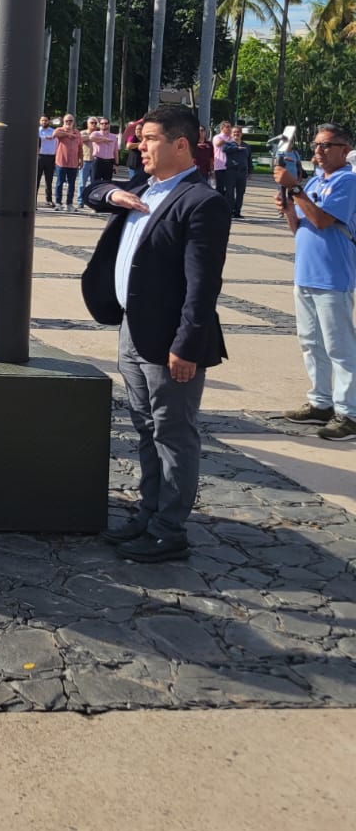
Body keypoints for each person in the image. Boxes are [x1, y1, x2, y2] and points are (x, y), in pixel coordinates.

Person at [81, 105, 231, 562]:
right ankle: (149, 512)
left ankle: (170, 530)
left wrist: (186, 345)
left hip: (170, 341)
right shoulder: (143, 188)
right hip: (132, 328)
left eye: (148, 139)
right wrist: (116, 195)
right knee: (145, 427)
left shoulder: (201, 201)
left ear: (180, 144)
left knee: (173, 433)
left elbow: (203, 284)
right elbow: (92, 191)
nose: (138, 146)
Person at [275, 123, 356, 442]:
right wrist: (289, 210)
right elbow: (302, 228)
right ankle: (321, 402)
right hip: (306, 272)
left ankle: (349, 413)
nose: (318, 151)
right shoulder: (316, 181)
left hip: (333, 275)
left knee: (339, 346)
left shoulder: (348, 181)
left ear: (345, 149)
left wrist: (295, 189)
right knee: (311, 342)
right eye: (316, 145)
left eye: (326, 145)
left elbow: (323, 220)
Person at [53, 113, 82, 212]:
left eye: (71, 121)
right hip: (61, 162)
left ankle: (69, 204)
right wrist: (68, 134)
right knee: (59, 183)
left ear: (73, 122)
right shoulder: (60, 130)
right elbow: (54, 134)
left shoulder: (77, 133)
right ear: (63, 121)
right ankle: (58, 203)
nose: (69, 122)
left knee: (72, 184)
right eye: (67, 121)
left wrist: (81, 159)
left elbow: (80, 148)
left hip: (73, 163)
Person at [225, 126, 253, 218]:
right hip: (231, 172)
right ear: (231, 134)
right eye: (234, 132)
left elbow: (249, 159)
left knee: (240, 193)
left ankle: (237, 211)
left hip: (242, 172)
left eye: (238, 132)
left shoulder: (247, 146)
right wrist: (237, 148)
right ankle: (230, 210)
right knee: (230, 192)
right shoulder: (228, 144)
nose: (236, 134)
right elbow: (225, 150)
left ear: (241, 134)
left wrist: (250, 172)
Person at [212, 120, 236, 206]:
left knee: (230, 188)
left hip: (230, 166)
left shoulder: (232, 138)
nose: (230, 129)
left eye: (230, 127)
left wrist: (230, 139)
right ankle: (218, 205)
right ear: (222, 128)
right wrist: (228, 140)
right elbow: (218, 143)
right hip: (220, 166)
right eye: (227, 127)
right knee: (220, 187)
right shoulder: (217, 137)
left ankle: (228, 206)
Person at [90, 118, 119, 187]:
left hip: (109, 162)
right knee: (95, 183)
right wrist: (103, 139)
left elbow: (116, 151)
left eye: (106, 123)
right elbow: (91, 138)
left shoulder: (113, 136)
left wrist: (116, 164)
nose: (104, 125)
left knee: (107, 183)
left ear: (109, 125)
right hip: (98, 161)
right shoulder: (96, 133)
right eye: (102, 123)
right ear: (99, 125)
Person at [37, 115, 58, 207]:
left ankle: (49, 199)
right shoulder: (37, 131)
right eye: (42, 120)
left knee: (49, 180)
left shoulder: (53, 131)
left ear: (49, 121)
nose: (44, 122)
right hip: (40, 157)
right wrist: (46, 138)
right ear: (39, 121)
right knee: (36, 179)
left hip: (51, 157)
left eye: (45, 120)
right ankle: (33, 199)